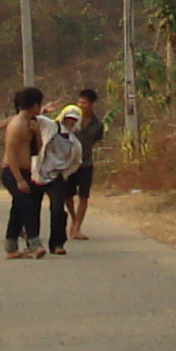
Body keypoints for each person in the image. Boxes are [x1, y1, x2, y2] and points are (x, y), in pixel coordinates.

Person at [0, 86, 48, 259]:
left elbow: (38, 149)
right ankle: (34, 243)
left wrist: (36, 134)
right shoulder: (16, 125)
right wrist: (18, 179)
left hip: (26, 170)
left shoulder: (30, 123)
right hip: (11, 172)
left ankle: (11, 247)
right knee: (26, 204)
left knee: (19, 208)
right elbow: (10, 153)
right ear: (33, 105)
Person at [33, 100, 85, 257]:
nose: (70, 121)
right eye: (68, 118)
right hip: (39, 173)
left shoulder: (75, 143)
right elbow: (31, 119)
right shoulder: (50, 127)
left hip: (57, 177)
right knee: (32, 208)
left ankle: (57, 244)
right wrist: (42, 110)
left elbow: (76, 162)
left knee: (57, 209)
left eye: (74, 120)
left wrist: (64, 174)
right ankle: (33, 242)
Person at [65, 85, 104, 241]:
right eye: (79, 102)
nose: (81, 106)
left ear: (92, 104)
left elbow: (94, 141)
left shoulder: (97, 124)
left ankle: (76, 228)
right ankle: (74, 219)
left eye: (85, 103)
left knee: (83, 196)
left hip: (86, 163)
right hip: (69, 163)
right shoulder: (70, 119)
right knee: (68, 195)